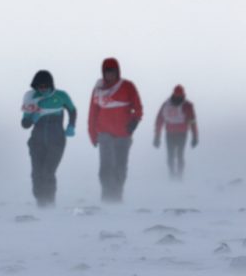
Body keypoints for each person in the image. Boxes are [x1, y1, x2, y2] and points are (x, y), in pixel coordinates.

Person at [88, 58, 142, 202]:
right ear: (103, 73)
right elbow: (93, 113)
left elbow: (138, 107)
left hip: (123, 134)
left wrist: (134, 122)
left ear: (117, 72)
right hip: (104, 133)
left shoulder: (127, 86)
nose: (110, 75)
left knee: (120, 167)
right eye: (107, 72)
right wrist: (92, 134)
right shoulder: (98, 89)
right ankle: (107, 196)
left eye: (112, 72)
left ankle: (117, 195)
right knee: (105, 167)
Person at [20, 70, 77, 207]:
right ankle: (41, 202)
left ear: (51, 84)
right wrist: (32, 117)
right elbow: (24, 124)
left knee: (48, 172)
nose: (43, 89)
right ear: (36, 86)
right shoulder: (31, 98)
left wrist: (71, 126)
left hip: (56, 141)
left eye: (46, 86)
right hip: (37, 142)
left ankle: (50, 203)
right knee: (37, 174)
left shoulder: (61, 96)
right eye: (40, 86)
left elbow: (72, 110)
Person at [153, 85, 198, 179]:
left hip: (180, 134)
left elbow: (192, 121)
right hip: (173, 133)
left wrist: (195, 136)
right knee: (172, 156)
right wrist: (157, 136)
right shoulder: (170, 105)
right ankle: (172, 175)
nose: (178, 97)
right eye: (177, 95)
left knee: (178, 155)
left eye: (179, 96)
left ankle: (179, 176)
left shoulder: (186, 106)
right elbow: (159, 121)